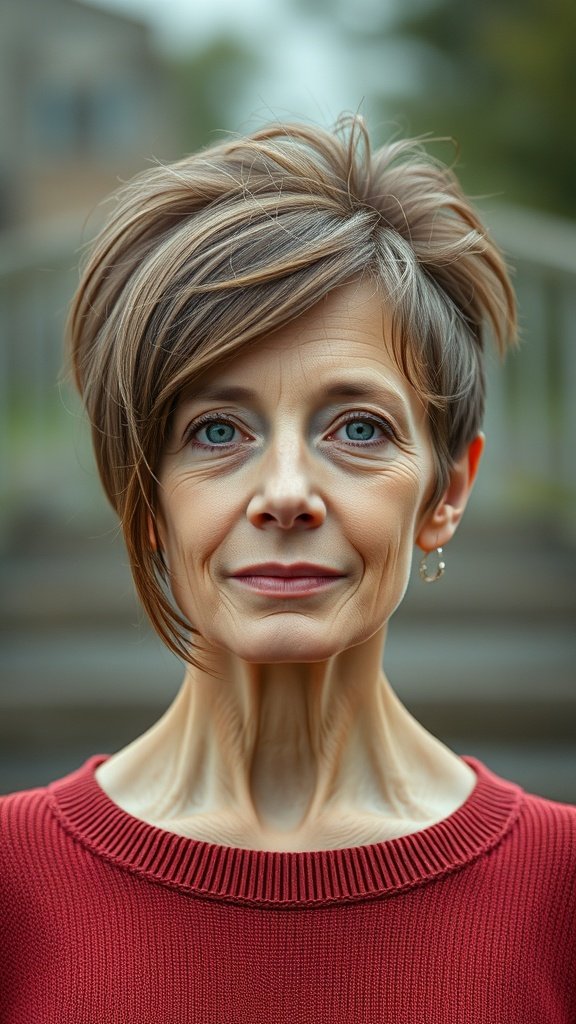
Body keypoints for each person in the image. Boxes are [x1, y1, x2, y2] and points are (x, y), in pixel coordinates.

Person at [1, 115, 574, 1023]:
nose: (286, 493)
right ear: (142, 494)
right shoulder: (12, 886)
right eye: (216, 432)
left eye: (359, 429)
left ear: (446, 491)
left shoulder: (560, 895)